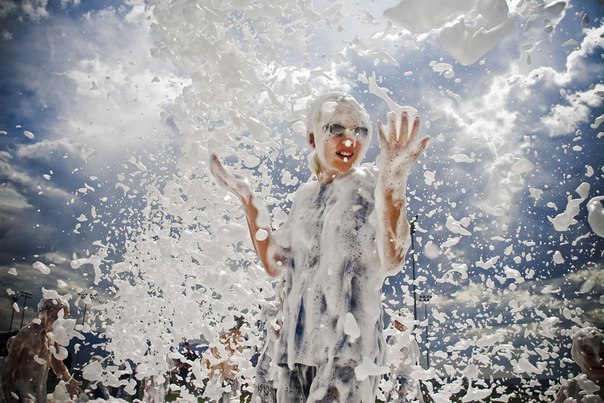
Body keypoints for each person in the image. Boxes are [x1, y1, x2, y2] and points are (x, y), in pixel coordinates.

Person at [210, 91, 430, 402]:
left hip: (349, 352)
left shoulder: (371, 185)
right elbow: (274, 263)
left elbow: (393, 258)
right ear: (313, 138)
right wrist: (248, 201)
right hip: (296, 351)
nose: (350, 140)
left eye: (360, 131)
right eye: (336, 129)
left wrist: (394, 179)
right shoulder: (305, 197)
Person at [1, 297, 82, 402]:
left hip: (40, 396)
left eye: (62, 318)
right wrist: (8, 396)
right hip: (20, 395)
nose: (58, 322)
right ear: (42, 312)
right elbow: (8, 369)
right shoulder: (27, 334)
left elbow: (58, 366)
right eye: (55, 317)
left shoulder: (52, 338)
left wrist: (69, 379)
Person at [555, 327, 604, 402]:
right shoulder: (571, 387)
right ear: (578, 356)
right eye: (590, 354)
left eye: (603, 353)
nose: (599, 360)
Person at [384, 316, 421, 403]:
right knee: (396, 396)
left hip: (406, 374)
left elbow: (416, 355)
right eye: (395, 324)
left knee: (404, 395)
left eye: (398, 324)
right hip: (398, 374)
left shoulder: (409, 339)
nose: (396, 326)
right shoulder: (393, 339)